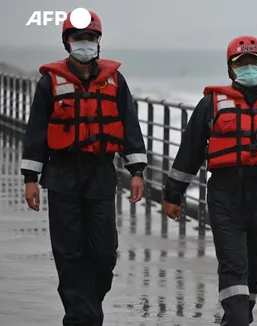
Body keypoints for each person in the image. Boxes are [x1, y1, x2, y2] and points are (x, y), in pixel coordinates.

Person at [162, 35, 257, 325]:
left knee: (256, 267)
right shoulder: (212, 104)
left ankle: (238, 317)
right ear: (231, 69)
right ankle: (237, 318)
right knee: (234, 264)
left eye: (254, 62)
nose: (249, 68)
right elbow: (190, 152)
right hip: (225, 194)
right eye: (241, 63)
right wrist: (173, 195)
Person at [20, 10, 147, 326]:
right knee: (70, 254)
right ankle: (80, 317)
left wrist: (137, 172)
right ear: (67, 42)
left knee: (104, 254)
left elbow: (130, 126)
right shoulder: (49, 82)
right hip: (62, 175)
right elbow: (36, 131)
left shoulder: (115, 81)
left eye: (90, 38)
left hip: (101, 174)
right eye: (78, 38)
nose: (84, 44)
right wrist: (30, 179)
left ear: (98, 41)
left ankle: (88, 308)